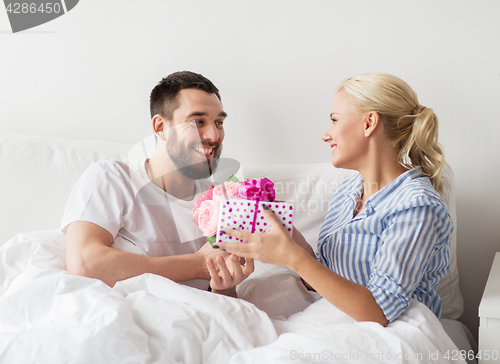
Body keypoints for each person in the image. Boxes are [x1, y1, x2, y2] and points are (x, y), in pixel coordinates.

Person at [213, 73, 453, 325]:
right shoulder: (350, 190)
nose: (326, 135)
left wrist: (292, 257)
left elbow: (380, 313)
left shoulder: (416, 206)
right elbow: (324, 280)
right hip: (334, 318)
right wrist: (291, 241)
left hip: (393, 333)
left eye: (334, 120)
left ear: (369, 123)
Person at [63, 71, 253, 297]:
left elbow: (222, 305)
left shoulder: (218, 202)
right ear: (160, 126)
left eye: (219, 122)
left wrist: (225, 283)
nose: (213, 135)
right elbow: (84, 262)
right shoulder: (113, 178)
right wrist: (197, 265)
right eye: (197, 122)